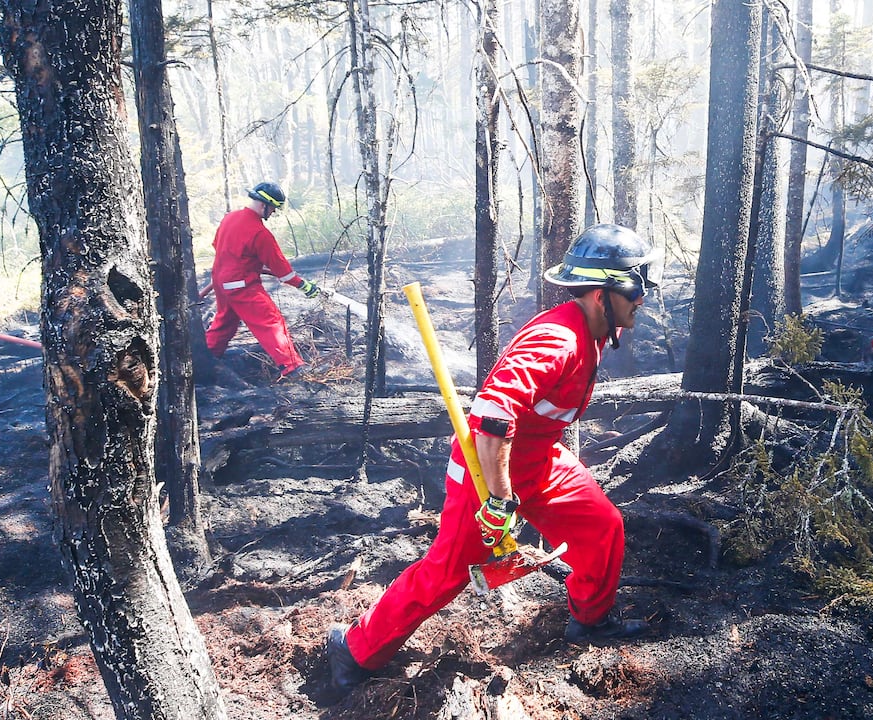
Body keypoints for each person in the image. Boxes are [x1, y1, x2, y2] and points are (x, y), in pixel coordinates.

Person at [326, 223, 660, 691]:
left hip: (539, 460)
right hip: (487, 472)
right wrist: (500, 502)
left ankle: (591, 619)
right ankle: (356, 647)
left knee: (602, 526)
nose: (642, 300)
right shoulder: (558, 340)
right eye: (636, 289)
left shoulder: (596, 329)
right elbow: (494, 415)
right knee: (446, 574)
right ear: (604, 293)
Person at [204, 182, 319, 380]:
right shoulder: (260, 233)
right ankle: (293, 367)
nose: (273, 212)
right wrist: (303, 285)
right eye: (273, 208)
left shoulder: (229, 218)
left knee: (225, 324)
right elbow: (283, 271)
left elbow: (220, 247)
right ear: (264, 204)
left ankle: (204, 361)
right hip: (242, 286)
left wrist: (248, 265)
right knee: (271, 321)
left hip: (221, 282)